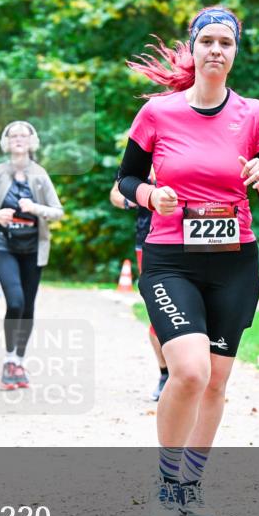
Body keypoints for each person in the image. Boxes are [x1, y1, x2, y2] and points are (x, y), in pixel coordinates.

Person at [116, 7, 259, 516]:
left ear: (236, 52)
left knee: (214, 383)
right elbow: (126, 181)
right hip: (171, 260)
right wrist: (152, 195)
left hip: (235, 262)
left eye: (226, 43)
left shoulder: (254, 114)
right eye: (207, 41)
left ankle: (191, 485)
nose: (216, 50)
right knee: (189, 371)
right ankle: (166, 486)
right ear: (192, 49)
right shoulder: (159, 114)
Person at [0, 121, 64, 390]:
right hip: (4, 244)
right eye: (13, 135)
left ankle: (18, 361)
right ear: (6, 141)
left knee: (28, 305)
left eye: (23, 135)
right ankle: (9, 358)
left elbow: (57, 211)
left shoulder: (40, 175)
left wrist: (35, 207)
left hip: (33, 248)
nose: (18, 139)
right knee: (15, 302)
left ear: (31, 141)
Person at [109, 172, 169, 401]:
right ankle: (165, 374)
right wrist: (129, 200)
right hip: (148, 240)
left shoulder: (187, 147)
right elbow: (115, 193)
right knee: (159, 309)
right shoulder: (139, 158)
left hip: (186, 238)